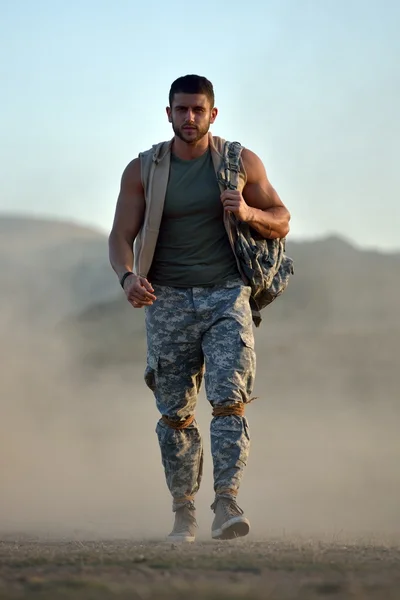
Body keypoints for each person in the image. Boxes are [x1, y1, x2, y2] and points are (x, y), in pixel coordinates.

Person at [108, 74, 290, 542]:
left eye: (198, 110)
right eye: (181, 110)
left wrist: (247, 213)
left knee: (230, 398)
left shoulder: (238, 162)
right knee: (175, 413)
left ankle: (226, 502)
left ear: (213, 113)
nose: (190, 118)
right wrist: (128, 277)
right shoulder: (143, 169)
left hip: (227, 294)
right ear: (168, 114)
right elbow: (120, 237)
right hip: (165, 297)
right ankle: (183, 510)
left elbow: (282, 218)